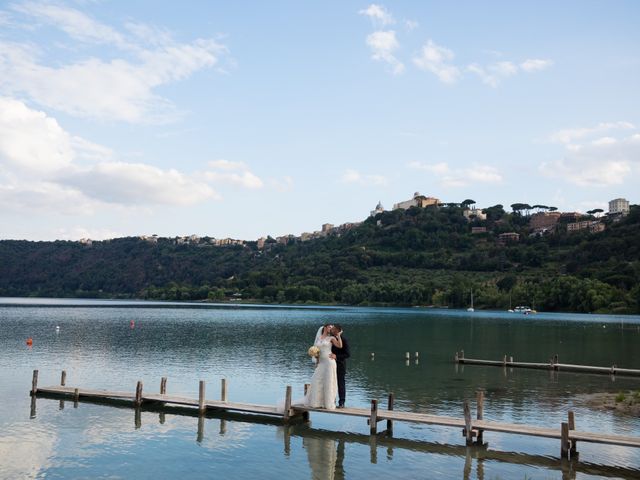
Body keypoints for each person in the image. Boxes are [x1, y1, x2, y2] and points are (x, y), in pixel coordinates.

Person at [305, 324, 342, 410]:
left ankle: (327, 403)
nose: (331, 328)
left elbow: (340, 346)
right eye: (330, 327)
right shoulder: (319, 338)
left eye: (332, 327)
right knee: (316, 380)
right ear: (325, 328)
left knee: (328, 381)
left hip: (329, 362)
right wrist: (317, 362)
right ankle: (316, 402)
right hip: (321, 362)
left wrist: (339, 336)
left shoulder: (331, 338)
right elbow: (317, 352)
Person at [329, 324, 350, 408]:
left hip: (340, 365)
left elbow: (347, 354)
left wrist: (336, 357)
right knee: (331, 383)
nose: (331, 330)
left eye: (333, 329)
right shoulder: (330, 339)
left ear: (337, 331)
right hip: (330, 365)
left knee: (341, 383)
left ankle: (341, 402)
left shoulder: (344, 340)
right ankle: (331, 401)